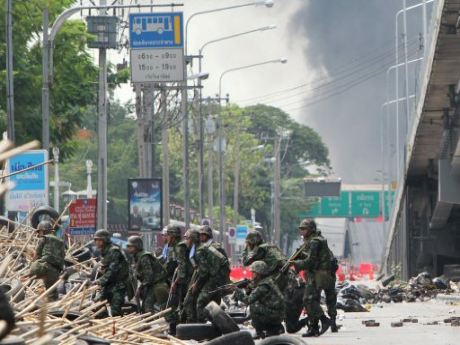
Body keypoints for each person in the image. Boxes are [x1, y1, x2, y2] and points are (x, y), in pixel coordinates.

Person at [242, 229, 306, 333]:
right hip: (292, 282)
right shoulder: (270, 246)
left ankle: (267, 328)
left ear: (252, 242)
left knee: (259, 303)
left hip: (290, 286)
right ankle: (276, 327)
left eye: (249, 243)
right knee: (291, 327)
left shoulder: (260, 249)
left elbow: (245, 261)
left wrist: (246, 248)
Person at [292, 218, 337, 336]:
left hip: (317, 274)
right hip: (316, 274)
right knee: (312, 300)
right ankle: (314, 327)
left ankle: (325, 321)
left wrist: (296, 264)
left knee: (309, 299)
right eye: (301, 229)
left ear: (311, 229)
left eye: (304, 229)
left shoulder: (314, 242)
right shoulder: (311, 241)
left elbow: (311, 261)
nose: (302, 231)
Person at [233, 261, 285, 339]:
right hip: (278, 313)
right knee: (256, 304)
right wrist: (248, 288)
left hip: (276, 314)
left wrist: (236, 290)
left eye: (253, 272)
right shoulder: (268, 280)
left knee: (254, 305)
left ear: (259, 273)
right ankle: (275, 328)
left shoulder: (263, 286)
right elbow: (256, 294)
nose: (252, 274)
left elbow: (248, 300)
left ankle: (261, 331)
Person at [127, 235, 169, 313]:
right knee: (146, 307)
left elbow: (149, 276)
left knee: (164, 309)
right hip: (152, 285)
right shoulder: (136, 257)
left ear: (137, 246)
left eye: (131, 246)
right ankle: (148, 324)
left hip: (158, 285)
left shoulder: (144, 257)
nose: (128, 249)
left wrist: (140, 288)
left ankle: (171, 324)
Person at [162, 225, 192, 334]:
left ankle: (176, 329)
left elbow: (182, 267)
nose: (166, 237)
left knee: (175, 304)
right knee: (179, 304)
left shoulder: (179, 247)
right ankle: (178, 328)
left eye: (168, 235)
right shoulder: (173, 247)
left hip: (182, 281)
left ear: (173, 236)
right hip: (179, 280)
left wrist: (175, 282)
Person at [93, 229, 129, 317]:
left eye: (99, 240)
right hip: (109, 283)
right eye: (96, 240)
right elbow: (103, 267)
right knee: (97, 303)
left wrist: (100, 281)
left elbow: (113, 270)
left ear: (105, 240)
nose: (96, 242)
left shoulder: (114, 251)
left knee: (115, 310)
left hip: (119, 284)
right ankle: (103, 322)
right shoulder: (104, 251)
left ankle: (118, 326)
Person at [27, 220, 65, 301]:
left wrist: (31, 266)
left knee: (33, 269)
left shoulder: (44, 239)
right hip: (57, 270)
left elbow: (37, 255)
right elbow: (63, 256)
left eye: (39, 232)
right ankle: (55, 306)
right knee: (52, 292)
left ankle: (27, 278)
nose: (39, 234)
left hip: (45, 267)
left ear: (43, 231)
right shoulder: (60, 241)